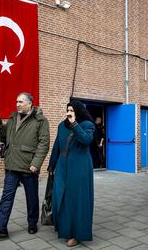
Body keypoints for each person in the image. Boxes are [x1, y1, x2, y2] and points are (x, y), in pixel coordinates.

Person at [0, 92, 50, 238]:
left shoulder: (40, 121)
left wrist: (36, 163)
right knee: (6, 196)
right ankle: (0, 227)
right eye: (16, 102)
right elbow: (3, 135)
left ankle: (32, 223)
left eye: (20, 102)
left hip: (29, 166)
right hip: (12, 164)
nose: (17, 104)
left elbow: (44, 144)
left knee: (31, 198)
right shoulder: (13, 118)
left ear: (30, 103)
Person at [47, 100, 95, 247]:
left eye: (72, 110)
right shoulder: (62, 125)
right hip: (62, 165)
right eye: (68, 110)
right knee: (60, 196)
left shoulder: (87, 125)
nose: (69, 113)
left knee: (78, 200)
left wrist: (74, 124)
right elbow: (56, 145)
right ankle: (64, 228)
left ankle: (77, 234)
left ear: (79, 111)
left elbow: (86, 140)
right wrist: (51, 165)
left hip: (80, 166)